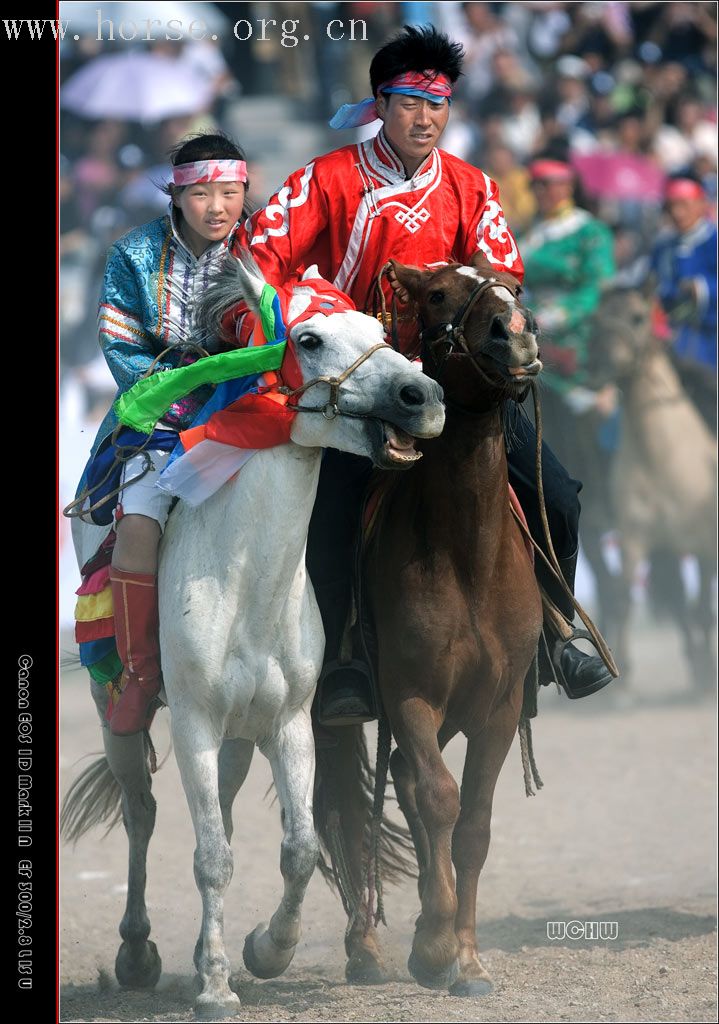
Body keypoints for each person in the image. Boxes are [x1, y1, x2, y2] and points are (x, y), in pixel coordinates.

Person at [221, 26, 615, 721]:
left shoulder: (471, 187)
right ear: (380, 103)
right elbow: (258, 260)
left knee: (558, 493)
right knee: (330, 511)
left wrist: (496, 322)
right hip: (359, 389)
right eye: (409, 102)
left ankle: (555, 633)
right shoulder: (326, 179)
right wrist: (304, 322)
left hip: (457, 388)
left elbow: (502, 275)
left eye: (437, 105)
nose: (425, 118)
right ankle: (339, 659)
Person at [77, 132, 250, 735]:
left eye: (229, 192)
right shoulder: (133, 253)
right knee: (138, 529)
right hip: (160, 423)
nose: (218, 207)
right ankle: (140, 672)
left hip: (253, 416)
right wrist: (184, 393)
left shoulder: (265, 250)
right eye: (202, 193)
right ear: (177, 196)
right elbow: (122, 346)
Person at [517, 152, 618, 475]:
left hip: (580, 335)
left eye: (548, 184)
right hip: (530, 329)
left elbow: (596, 288)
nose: (542, 192)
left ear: (568, 186)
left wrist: (554, 317)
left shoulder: (590, 231)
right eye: (536, 185)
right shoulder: (529, 234)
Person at [649, 173, 717, 433]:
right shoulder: (664, 245)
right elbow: (647, 277)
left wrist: (701, 288)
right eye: (671, 206)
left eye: (684, 205)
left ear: (702, 205)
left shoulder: (713, 241)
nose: (677, 213)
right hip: (670, 341)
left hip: (709, 342)